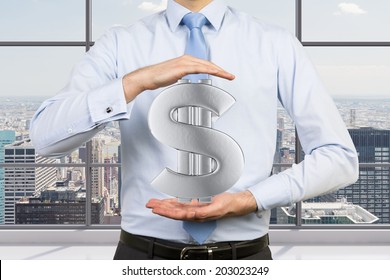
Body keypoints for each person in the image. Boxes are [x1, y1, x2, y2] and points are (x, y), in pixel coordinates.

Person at [29, 0, 358, 260]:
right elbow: (45, 137)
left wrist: (249, 199)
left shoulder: (275, 43)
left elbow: (339, 158)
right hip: (143, 258)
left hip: (245, 259)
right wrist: (134, 82)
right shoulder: (120, 44)